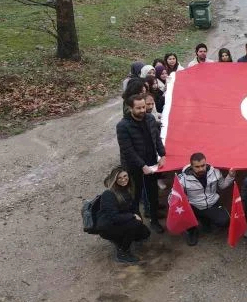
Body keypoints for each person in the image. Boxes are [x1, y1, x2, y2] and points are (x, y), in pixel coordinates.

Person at [116, 94, 166, 234]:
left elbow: (157, 139)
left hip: (151, 164)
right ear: (130, 108)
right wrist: (142, 166)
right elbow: (128, 150)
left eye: (143, 107)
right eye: (138, 108)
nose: (143, 110)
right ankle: (138, 225)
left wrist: (162, 155)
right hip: (134, 168)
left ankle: (154, 220)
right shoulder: (122, 126)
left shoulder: (150, 118)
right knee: (135, 197)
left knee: (153, 194)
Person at [178, 152, 235, 246]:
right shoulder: (182, 179)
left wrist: (231, 176)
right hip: (194, 206)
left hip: (212, 204)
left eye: (203, 165)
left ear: (206, 163)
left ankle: (205, 219)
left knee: (225, 221)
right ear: (191, 166)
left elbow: (222, 185)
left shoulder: (215, 172)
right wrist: (174, 202)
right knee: (179, 211)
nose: (201, 169)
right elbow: (174, 195)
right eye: (197, 166)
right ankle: (192, 230)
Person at [96, 167, 151, 263]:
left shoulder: (127, 189)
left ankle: (121, 238)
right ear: (115, 179)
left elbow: (134, 208)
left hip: (121, 220)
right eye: (119, 178)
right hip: (107, 226)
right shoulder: (108, 194)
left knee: (145, 233)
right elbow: (114, 217)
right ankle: (122, 252)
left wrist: (140, 222)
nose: (123, 179)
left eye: (125, 176)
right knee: (134, 224)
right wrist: (133, 217)